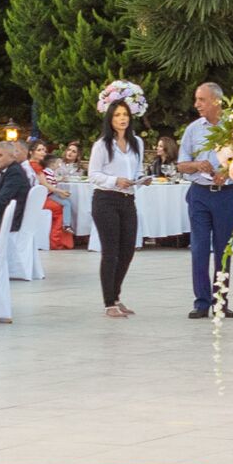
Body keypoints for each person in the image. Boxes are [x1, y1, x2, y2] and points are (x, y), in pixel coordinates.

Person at [175, 77, 233, 320]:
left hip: (226, 195)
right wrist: (195, 164)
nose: (197, 104)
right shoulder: (193, 129)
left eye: (201, 99)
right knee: (200, 249)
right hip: (200, 194)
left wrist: (229, 171)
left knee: (224, 249)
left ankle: (221, 301)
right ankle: (201, 302)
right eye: (196, 99)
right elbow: (181, 164)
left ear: (216, 101)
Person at [87, 97, 147, 316]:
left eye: (125, 115)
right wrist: (115, 181)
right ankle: (108, 302)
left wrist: (141, 179)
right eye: (117, 115)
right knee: (110, 251)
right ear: (110, 119)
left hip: (127, 199)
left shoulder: (137, 143)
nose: (122, 119)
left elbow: (137, 170)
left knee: (128, 250)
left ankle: (116, 294)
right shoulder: (102, 145)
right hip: (106, 199)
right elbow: (93, 175)